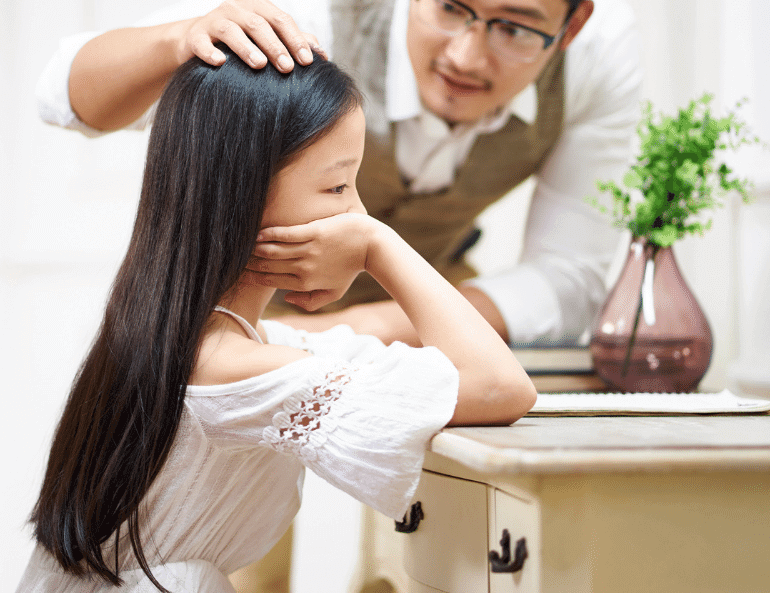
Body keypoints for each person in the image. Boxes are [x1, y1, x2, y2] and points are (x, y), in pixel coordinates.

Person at [37, 0, 641, 352]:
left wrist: (360, 333)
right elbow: (64, 95)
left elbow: (569, 278)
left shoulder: (596, 63)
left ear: (573, 24)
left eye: (513, 27)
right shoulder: (304, 2)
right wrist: (177, 39)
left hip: (424, 326)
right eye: (450, 5)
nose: (466, 55)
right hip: (244, 331)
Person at [18, 52, 536, 592]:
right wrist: (378, 245)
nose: (355, 215)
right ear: (244, 192)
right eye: (338, 187)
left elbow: (436, 360)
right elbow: (501, 387)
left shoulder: (205, 342)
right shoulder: (229, 368)